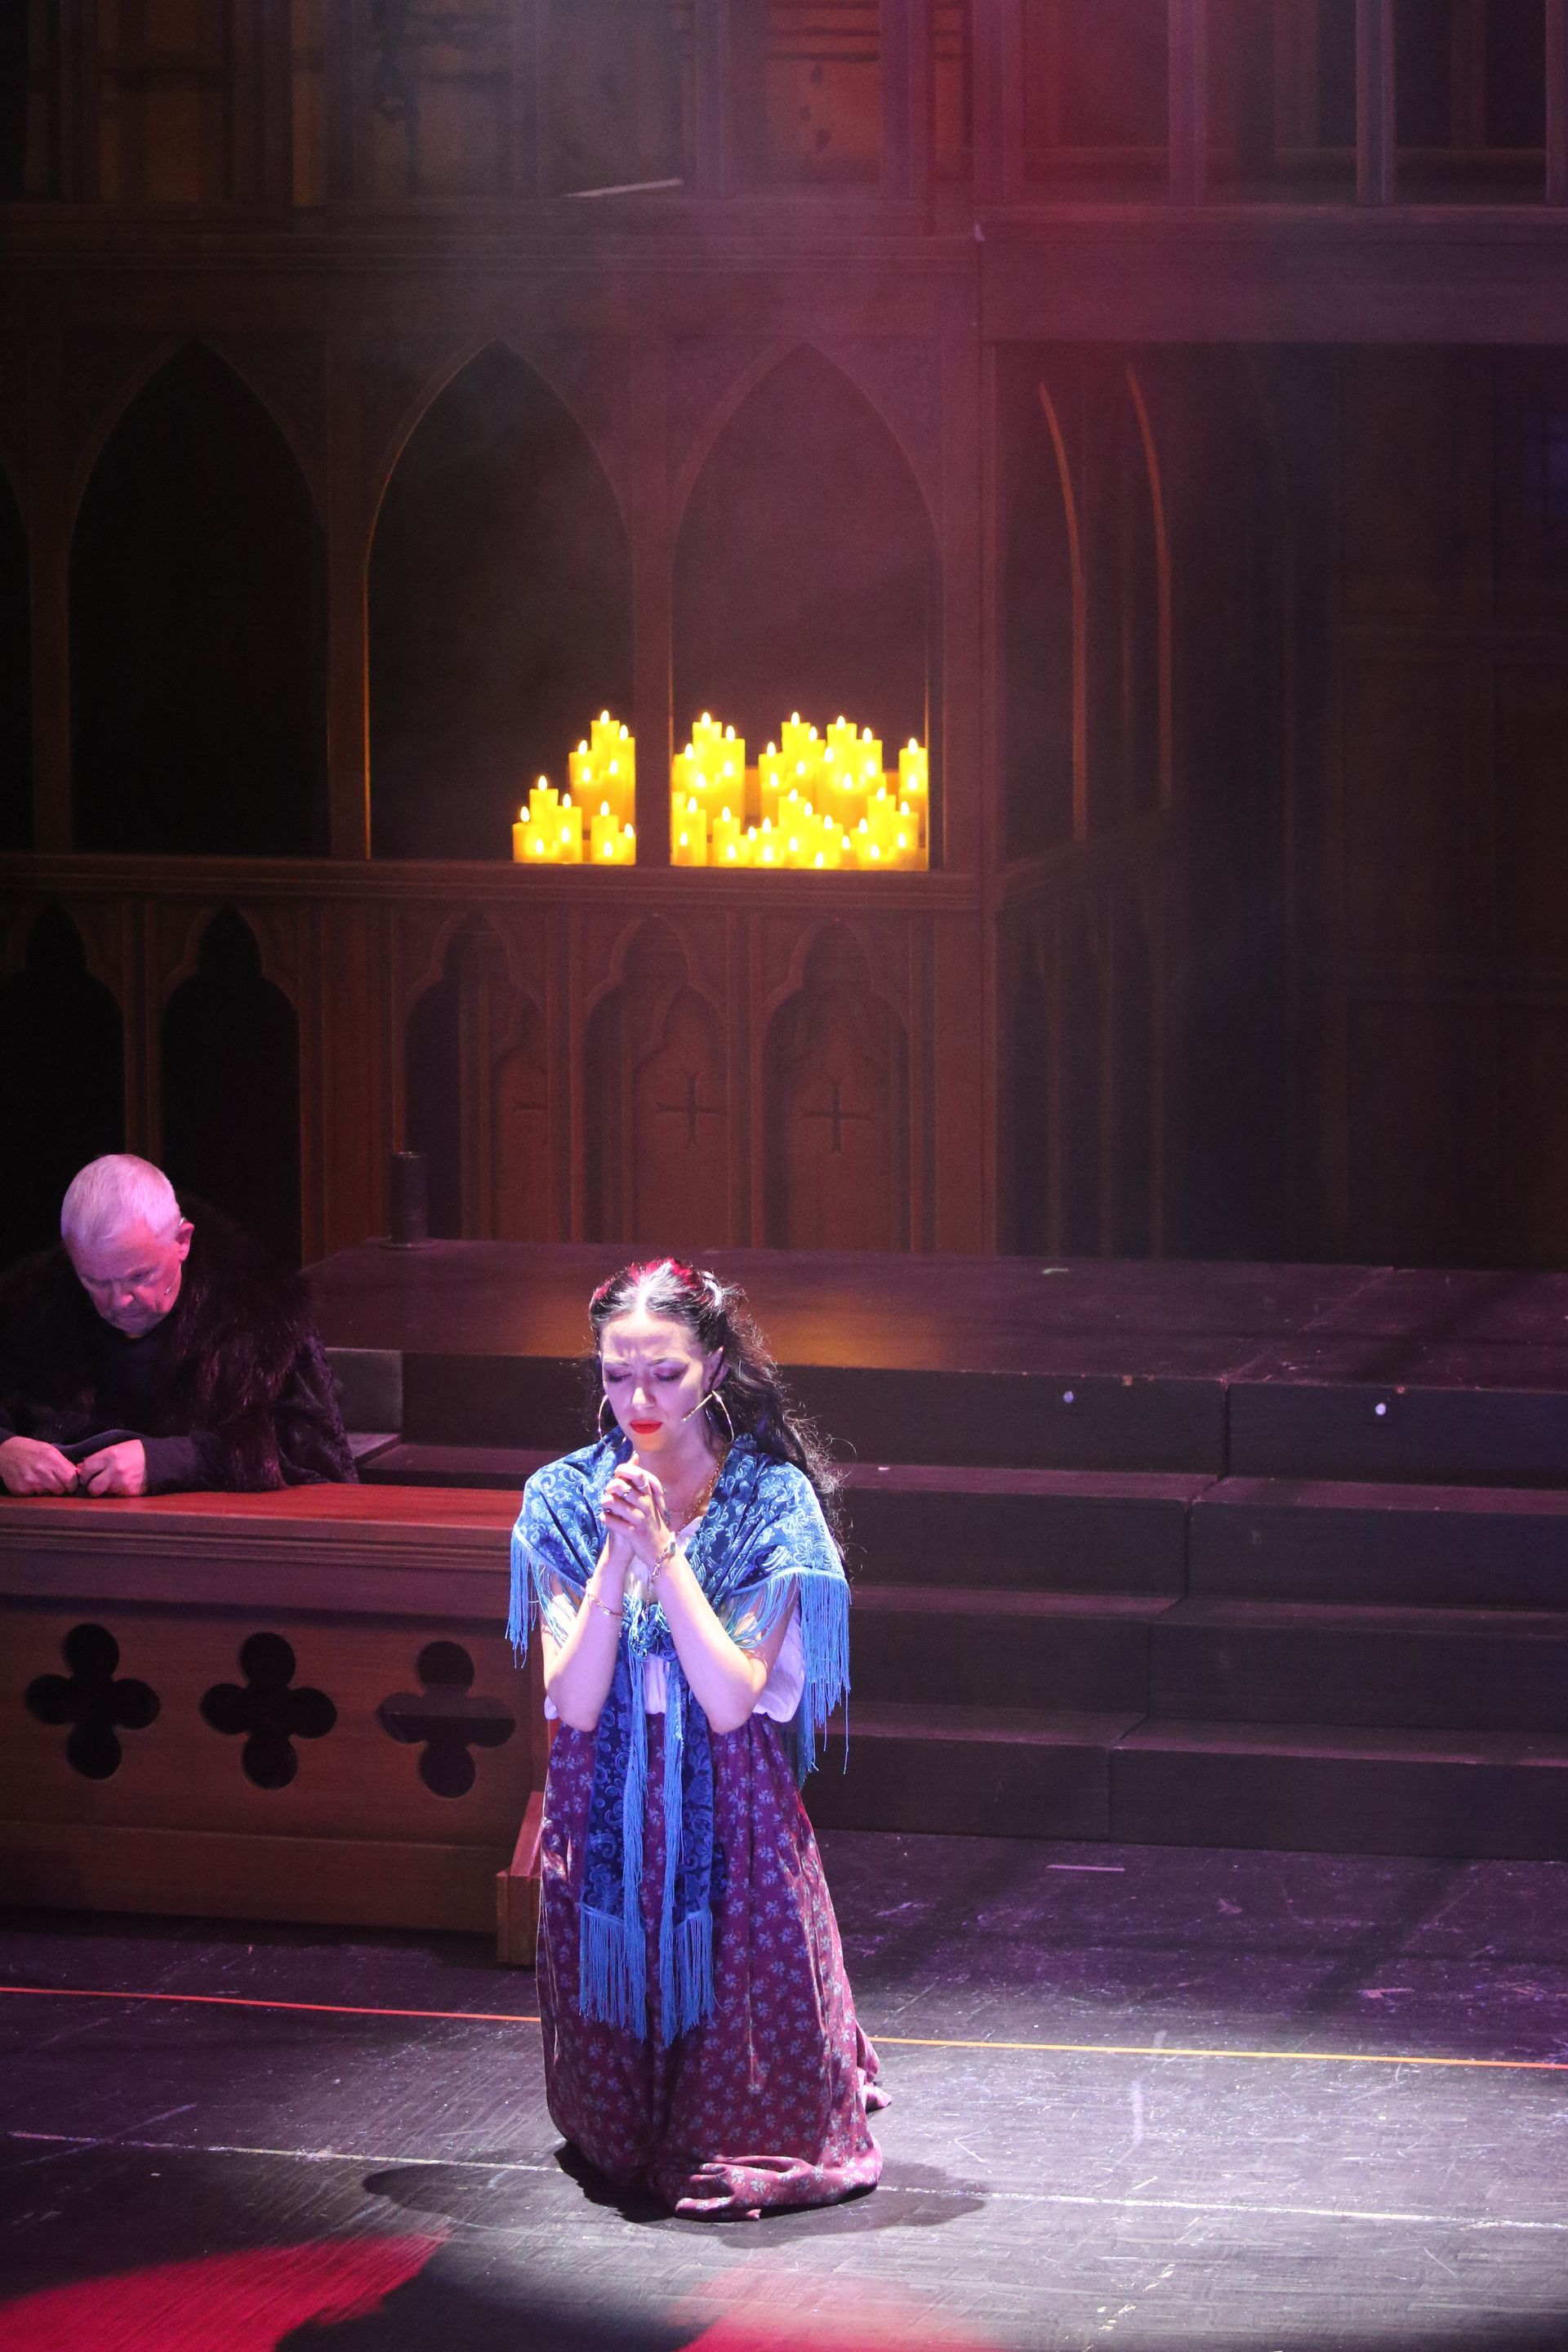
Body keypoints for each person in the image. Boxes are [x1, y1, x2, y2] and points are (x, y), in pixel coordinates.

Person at [510, 1256, 885, 2220]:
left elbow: (729, 1701)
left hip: (727, 1797)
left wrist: (665, 1554)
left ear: (714, 1366)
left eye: (665, 1374)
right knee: (614, 2138)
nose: (638, 1400)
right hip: (606, 1793)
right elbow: (573, 1702)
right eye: (617, 1375)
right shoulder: (562, 1495)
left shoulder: (769, 1501)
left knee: (741, 2111)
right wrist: (613, 1557)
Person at [0, 1154, 356, 1498]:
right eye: (95, 1281)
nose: (119, 1301)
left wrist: (171, 1461)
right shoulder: (30, 1307)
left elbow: (317, 1456)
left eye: (139, 1276)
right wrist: (4, 1451)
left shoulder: (262, 1314)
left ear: (182, 1241)